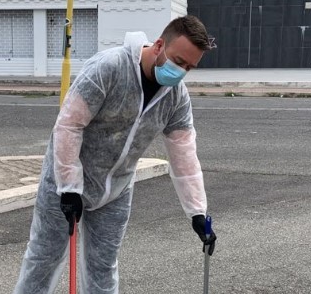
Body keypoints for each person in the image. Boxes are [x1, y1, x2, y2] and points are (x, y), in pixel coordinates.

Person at [13, 15, 217, 294]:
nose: (180, 72)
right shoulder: (109, 67)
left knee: (102, 267)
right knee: (43, 259)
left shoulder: (175, 97)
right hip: (65, 183)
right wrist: (70, 186)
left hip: (116, 190)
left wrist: (197, 212)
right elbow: (69, 124)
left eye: (189, 68)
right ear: (159, 45)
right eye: (179, 61)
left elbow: (184, 155)